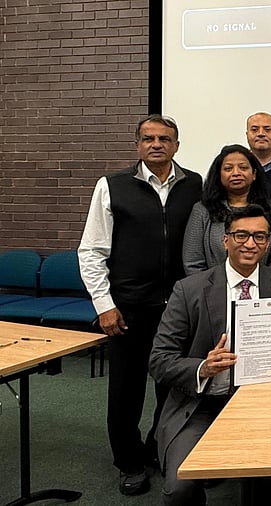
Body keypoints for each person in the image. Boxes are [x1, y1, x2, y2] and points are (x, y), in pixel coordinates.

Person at [149, 204, 271, 505]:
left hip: (265, 405)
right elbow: (159, 360)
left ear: (268, 242)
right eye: (242, 235)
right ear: (225, 240)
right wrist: (203, 368)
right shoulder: (189, 289)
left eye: (259, 237)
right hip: (202, 404)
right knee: (180, 487)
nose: (250, 243)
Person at [78, 114, 202, 496]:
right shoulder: (112, 186)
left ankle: (157, 447)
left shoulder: (193, 185)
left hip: (178, 308)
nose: (156, 145)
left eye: (164, 139)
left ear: (177, 145)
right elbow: (91, 251)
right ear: (137, 144)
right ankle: (129, 461)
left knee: (173, 386)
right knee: (127, 389)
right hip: (129, 307)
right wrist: (104, 304)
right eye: (148, 138)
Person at [182, 144, 271, 275]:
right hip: (212, 291)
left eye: (243, 168)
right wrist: (211, 289)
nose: (236, 173)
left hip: (264, 290)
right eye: (228, 168)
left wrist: (261, 285)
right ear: (219, 175)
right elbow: (192, 262)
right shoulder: (202, 210)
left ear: (254, 174)